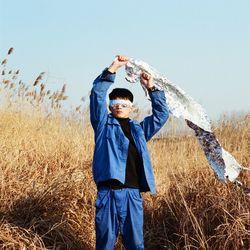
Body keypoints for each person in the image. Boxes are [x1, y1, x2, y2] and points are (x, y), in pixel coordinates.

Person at [90, 55, 169, 250]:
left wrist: (151, 87)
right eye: (115, 103)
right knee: (105, 243)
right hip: (107, 193)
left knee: (135, 243)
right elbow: (97, 95)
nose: (119, 107)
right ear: (110, 106)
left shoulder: (139, 130)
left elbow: (161, 115)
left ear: (131, 108)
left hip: (132, 194)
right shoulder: (102, 125)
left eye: (124, 104)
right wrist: (112, 69)